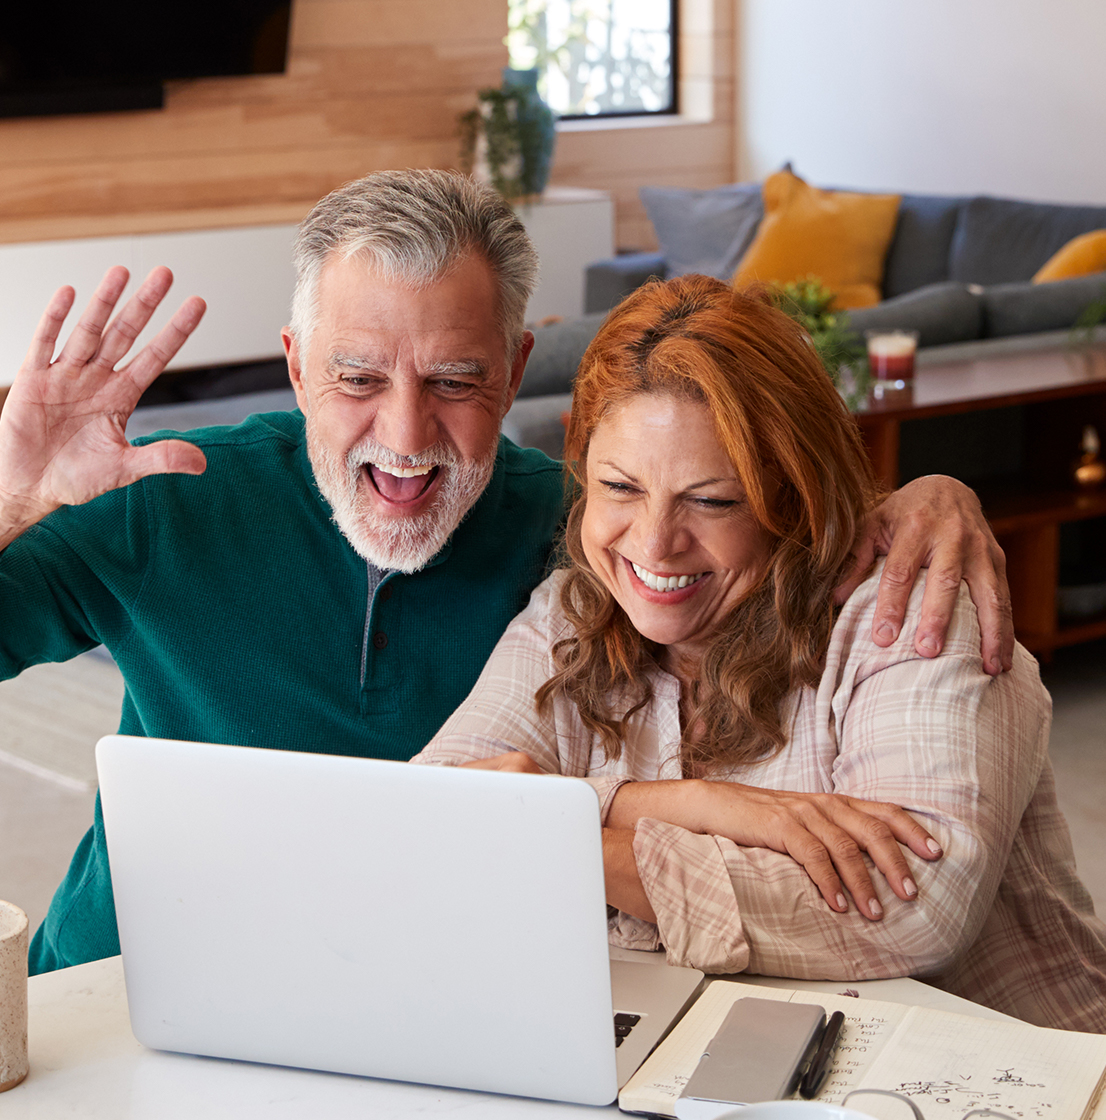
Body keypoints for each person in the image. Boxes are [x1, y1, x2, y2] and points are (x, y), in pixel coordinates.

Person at [0, 171, 1015, 976]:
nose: (405, 433)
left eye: (453, 379)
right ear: (292, 365)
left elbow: (736, 518)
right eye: (356, 377)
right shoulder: (157, 494)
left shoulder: (579, 538)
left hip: (420, 986)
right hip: (137, 968)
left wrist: (922, 493)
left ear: (515, 368)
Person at [415, 274, 1106, 1033]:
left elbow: (915, 906)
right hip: (720, 1062)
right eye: (618, 487)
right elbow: (423, 820)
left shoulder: (909, 609)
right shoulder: (571, 614)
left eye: (712, 500)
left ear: (793, 489)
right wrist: (693, 804)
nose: (653, 544)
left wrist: (563, 832)